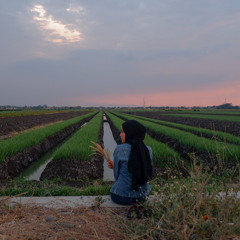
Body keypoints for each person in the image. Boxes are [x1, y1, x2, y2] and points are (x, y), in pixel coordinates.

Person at [107, 120, 153, 205]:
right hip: (142, 197)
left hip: (121, 197)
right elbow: (144, 169)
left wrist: (115, 167)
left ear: (130, 133)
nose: (120, 134)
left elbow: (116, 175)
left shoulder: (120, 149)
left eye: (122, 132)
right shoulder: (148, 150)